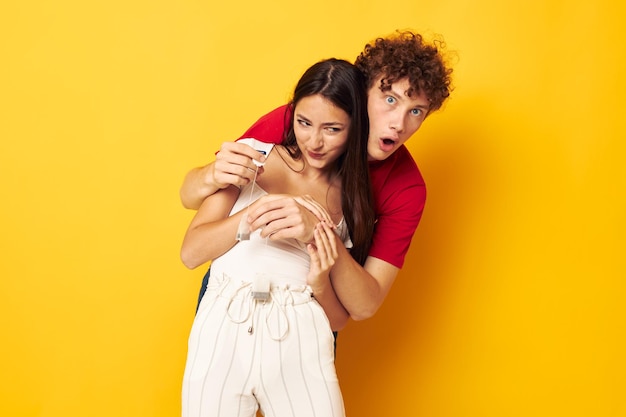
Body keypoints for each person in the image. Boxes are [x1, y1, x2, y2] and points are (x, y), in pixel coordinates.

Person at [181, 30, 453, 321]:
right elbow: (195, 202)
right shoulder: (301, 121)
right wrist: (210, 176)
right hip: (234, 294)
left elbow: (363, 306)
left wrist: (322, 235)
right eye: (390, 100)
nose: (399, 123)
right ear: (361, 93)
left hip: (314, 309)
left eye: (416, 111)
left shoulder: (406, 188)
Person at [180, 58, 373, 417]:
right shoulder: (254, 158)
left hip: (301, 331)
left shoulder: (354, 202)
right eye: (304, 122)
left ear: (354, 129)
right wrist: (253, 216)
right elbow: (191, 253)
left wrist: (318, 277)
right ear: (292, 114)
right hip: (225, 319)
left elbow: (338, 320)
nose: (314, 141)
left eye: (332, 129)